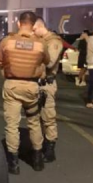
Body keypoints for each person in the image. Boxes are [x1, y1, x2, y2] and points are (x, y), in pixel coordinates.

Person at [0, 11, 49, 174]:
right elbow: (46, 61)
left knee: (12, 125)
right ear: (33, 25)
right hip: (31, 87)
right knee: (34, 122)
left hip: (12, 86)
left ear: (19, 24)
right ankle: (38, 160)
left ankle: (13, 164)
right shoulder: (40, 43)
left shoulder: (7, 41)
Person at [33, 18, 63, 163]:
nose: (33, 33)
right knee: (35, 118)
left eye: (34, 29)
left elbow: (50, 62)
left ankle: (50, 148)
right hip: (35, 83)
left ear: (40, 26)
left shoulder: (53, 41)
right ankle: (38, 146)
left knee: (48, 117)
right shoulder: (39, 41)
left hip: (46, 84)